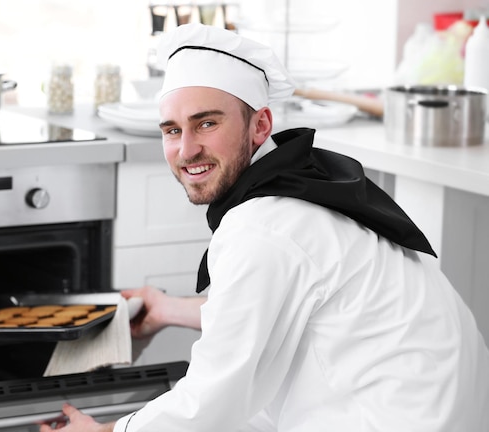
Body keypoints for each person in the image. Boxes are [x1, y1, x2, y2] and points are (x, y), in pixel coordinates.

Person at [41, 23, 489, 432]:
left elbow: (214, 397)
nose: (186, 150)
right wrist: (165, 310)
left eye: (207, 123)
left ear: (260, 125)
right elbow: (267, 306)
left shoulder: (263, 226)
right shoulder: (299, 183)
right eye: (172, 130)